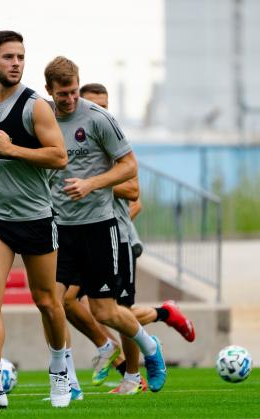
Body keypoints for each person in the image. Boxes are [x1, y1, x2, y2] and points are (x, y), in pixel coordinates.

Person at [44, 56, 167, 394]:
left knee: (107, 311)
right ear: (48, 91)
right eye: (61, 94)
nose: (69, 100)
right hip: (59, 229)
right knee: (50, 304)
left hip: (100, 227)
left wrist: (92, 183)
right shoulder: (41, 119)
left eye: (72, 92)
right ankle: (66, 382)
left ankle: (150, 348)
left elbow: (129, 166)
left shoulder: (98, 119)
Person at [0, 31, 71, 409]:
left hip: (35, 216)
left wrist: (13, 150)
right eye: (8, 57)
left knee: (47, 302)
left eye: (20, 57)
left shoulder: (36, 107)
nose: (16, 63)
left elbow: (59, 157)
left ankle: (60, 370)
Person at [78, 82, 195, 394]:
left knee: (117, 311)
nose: (98, 111)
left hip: (118, 238)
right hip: (82, 236)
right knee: (70, 303)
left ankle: (130, 371)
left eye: (104, 105)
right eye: (93, 105)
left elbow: (134, 194)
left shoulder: (114, 145)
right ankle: (118, 349)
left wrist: (93, 184)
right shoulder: (73, 142)